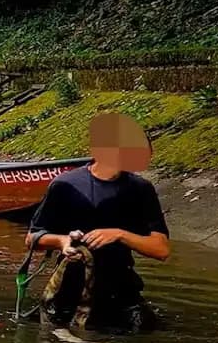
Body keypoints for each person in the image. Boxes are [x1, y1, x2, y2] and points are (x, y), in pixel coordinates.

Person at [26, 112, 170, 331]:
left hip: (120, 288)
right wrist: (63, 242)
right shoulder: (65, 185)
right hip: (70, 286)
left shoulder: (141, 189)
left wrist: (119, 234)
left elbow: (161, 250)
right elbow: (32, 239)